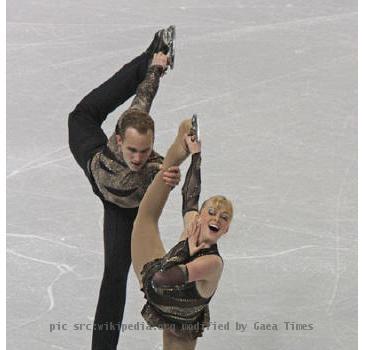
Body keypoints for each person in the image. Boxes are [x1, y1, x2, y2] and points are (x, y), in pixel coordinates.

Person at [68, 26, 181, 350]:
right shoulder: (118, 154)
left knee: (114, 277)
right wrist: (154, 65)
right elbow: (143, 93)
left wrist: (168, 176)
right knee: (81, 115)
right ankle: (150, 52)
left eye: (144, 151)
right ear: (119, 141)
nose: (137, 157)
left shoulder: (154, 163)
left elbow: (145, 99)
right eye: (132, 150)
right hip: (96, 166)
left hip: (121, 208)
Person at [131, 117, 233, 350]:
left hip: (182, 320)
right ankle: (175, 155)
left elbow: (162, 278)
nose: (216, 218)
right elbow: (190, 196)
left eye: (224, 218)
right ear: (201, 216)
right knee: (145, 219)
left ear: (226, 229)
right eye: (211, 212)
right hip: (160, 294)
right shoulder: (194, 224)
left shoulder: (212, 263)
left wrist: (186, 248)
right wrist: (195, 155)